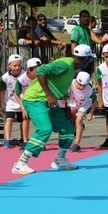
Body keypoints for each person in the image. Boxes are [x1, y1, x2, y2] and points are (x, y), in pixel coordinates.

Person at [11, 44, 96, 174]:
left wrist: (66, 109)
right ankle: (20, 164)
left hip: (50, 101)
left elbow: (59, 90)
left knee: (68, 127)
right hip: (35, 99)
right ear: (84, 59)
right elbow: (40, 71)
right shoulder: (65, 64)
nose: (90, 63)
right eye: (90, 60)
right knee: (45, 128)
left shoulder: (73, 69)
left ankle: (60, 160)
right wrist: (48, 95)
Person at [14, 57, 42, 150]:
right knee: (25, 119)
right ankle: (25, 142)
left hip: (38, 101)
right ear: (29, 70)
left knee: (40, 121)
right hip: (27, 101)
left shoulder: (41, 77)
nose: (38, 72)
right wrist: (22, 108)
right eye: (36, 70)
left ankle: (39, 141)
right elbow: (16, 94)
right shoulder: (21, 80)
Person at [0, 54, 25, 149]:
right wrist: (2, 104)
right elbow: (2, 91)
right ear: (9, 65)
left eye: (19, 65)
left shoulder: (25, 74)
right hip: (10, 102)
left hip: (22, 102)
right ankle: (7, 140)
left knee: (23, 121)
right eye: (14, 66)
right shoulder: (5, 77)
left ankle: (23, 139)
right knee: (9, 120)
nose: (17, 67)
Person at [68, 71, 97, 153]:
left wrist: (91, 112)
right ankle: (81, 127)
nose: (81, 87)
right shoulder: (71, 83)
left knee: (79, 119)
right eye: (79, 84)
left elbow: (94, 100)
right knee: (73, 121)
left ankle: (76, 144)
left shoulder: (89, 90)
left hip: (84, 104)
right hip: (73, 103)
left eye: (84, 85)